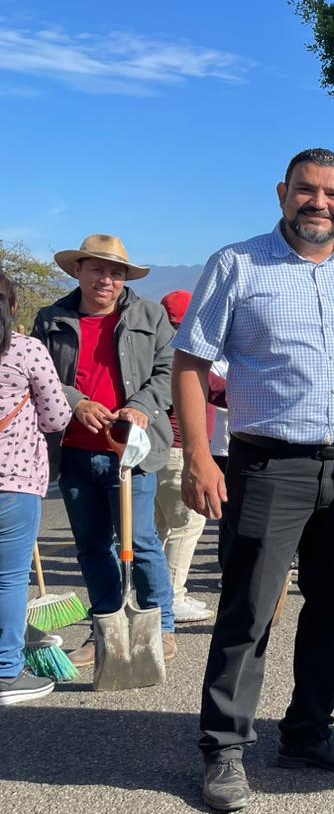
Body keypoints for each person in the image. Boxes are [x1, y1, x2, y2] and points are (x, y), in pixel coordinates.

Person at [171, 148, 334, 813]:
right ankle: (223, 749)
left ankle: (308, 733)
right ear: (283, 193)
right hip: (267, 466)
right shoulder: (237, 264)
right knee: (249, 611)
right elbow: (192, 362)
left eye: (332, 194)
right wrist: (199, 456)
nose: (319, 203)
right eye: (306, 190)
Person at [32, 234, 177, 670]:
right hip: (75, 450)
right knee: (92, 546)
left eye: (116, 272)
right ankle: (104, 628)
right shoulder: (51, 319)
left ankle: (161, 626)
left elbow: (170, 372)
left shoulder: (151, 317)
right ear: (78, 271)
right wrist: (76, 401)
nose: (107, 280)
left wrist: (139, 407)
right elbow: (39, 376)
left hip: (132, 454)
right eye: (97, 269)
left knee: (141, 541)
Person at [0, 270, 73, 705]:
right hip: (14, 483)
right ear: (11, 308)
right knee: (8, 580)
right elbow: (56, 417)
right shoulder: (26, 350)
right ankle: (6, 670)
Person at [154, 290, 225, 624]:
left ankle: (152, 595)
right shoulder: (178, 356)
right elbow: (217, 388)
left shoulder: (152, 350)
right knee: (188, 524)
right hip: (180, 451)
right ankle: (172, 596)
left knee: (157, 529)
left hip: (155, 451)